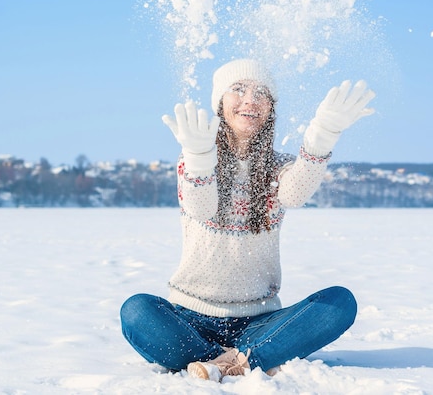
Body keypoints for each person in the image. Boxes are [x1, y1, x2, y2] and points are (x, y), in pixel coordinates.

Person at [120, 59, 375, 382]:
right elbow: (200, 207)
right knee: (136, 311)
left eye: (261, 93)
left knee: (339, 302)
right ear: (220, 103)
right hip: (189, 316)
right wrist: (199, 157)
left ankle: (216, 363)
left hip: (259, 318)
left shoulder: (278, 168)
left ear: (271, 108)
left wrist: (323, 135)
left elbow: (295, 194)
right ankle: (252, 357)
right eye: (238, 90)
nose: (250, 100)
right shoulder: (196, 158)